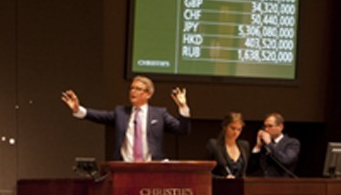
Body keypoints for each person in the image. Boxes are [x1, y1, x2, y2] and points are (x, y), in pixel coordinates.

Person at [61, 76, 190, 161]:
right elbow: (100, 116)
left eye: (138, 89)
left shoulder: (160, 114)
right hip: (124, 168)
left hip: (152, 168)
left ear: (148, 94)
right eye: (131, 88)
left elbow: (182, 130)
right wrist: (78, 109)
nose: (132, 91)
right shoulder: (121, 113)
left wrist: (183, 107)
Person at [251, 112, 300, 177]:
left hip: (281, 184)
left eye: (270, 126)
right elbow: (251, 167)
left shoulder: (292, 143)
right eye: (265, 126)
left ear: (280, 127)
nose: (266, 129)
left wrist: (269, 144)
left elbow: (285, 160)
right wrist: (258, 146)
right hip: (261, 183)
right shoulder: (264, 145)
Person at [206, 112, 250, 178]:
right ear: (225, 127)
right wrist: (223, 179)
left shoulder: (244, 145)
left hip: (240, 186)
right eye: (233, 128)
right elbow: (205, 172)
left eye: (239, 129)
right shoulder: (214, 145)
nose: (236, 132)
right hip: (220, 185)